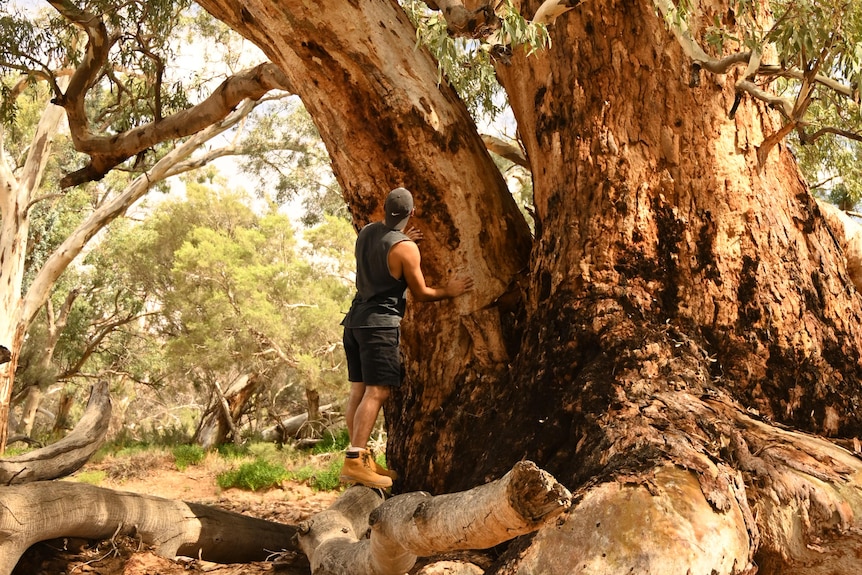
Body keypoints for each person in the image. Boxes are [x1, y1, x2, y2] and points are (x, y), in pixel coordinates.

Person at [340, 187, 474, 488]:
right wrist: (450, 291)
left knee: (358, 392)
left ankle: (359, 458)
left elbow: (381, 255)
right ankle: (354, 461)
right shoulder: (405, 249)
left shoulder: (367, 232)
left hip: (354, 322)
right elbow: (422, 294)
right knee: (378, 392)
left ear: (384, 209)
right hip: (379, 327)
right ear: (411, 213)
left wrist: (404, 242)